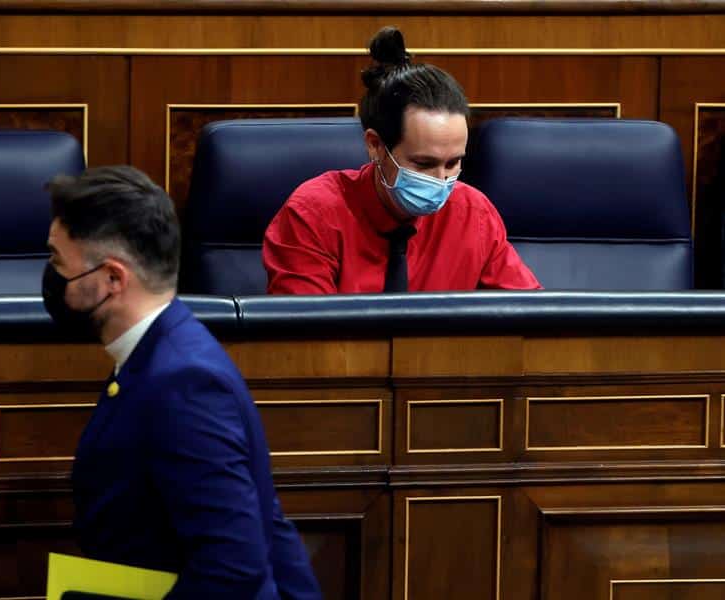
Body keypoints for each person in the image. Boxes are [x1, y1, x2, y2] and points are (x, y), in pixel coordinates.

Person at [41, 165, 321, 599]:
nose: (53, 277)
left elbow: (233, 571)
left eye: (60, 262)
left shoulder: (183, 383)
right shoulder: (159, 351)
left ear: (113, 279)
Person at [263, 27, 540, 294]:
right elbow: (307, 336)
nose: (441, 180)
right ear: (375, 146)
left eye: (453, 162)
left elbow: (533, 320)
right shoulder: (313, 214)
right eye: (422, 164)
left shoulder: (474, 213)